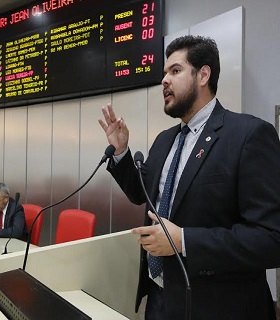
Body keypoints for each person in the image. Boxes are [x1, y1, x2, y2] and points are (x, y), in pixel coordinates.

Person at [98, 35, 280, 320]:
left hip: (218, 308)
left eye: (175, 70)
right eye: (164, 73)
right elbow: (141, 194)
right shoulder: (164, 141)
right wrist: (121, 152)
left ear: (203, 75)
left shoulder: (248, 135)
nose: (164, 81)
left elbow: (271, 240)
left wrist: (184, 240)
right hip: (159, 300)